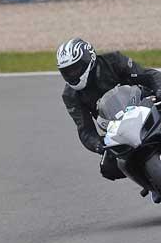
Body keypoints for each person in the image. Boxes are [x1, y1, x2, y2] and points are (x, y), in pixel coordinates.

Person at [58, 37, 161, 187]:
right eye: (66, 71)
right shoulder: (70, 95)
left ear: (89, 59)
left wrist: (159, 89)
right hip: (115, 128)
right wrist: (98, 145)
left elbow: (148, 75)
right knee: (108, 168)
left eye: (75, 69)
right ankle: (151, 184)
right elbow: (85, 129)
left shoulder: (114, 60)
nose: (71, 74)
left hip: (143, 105)